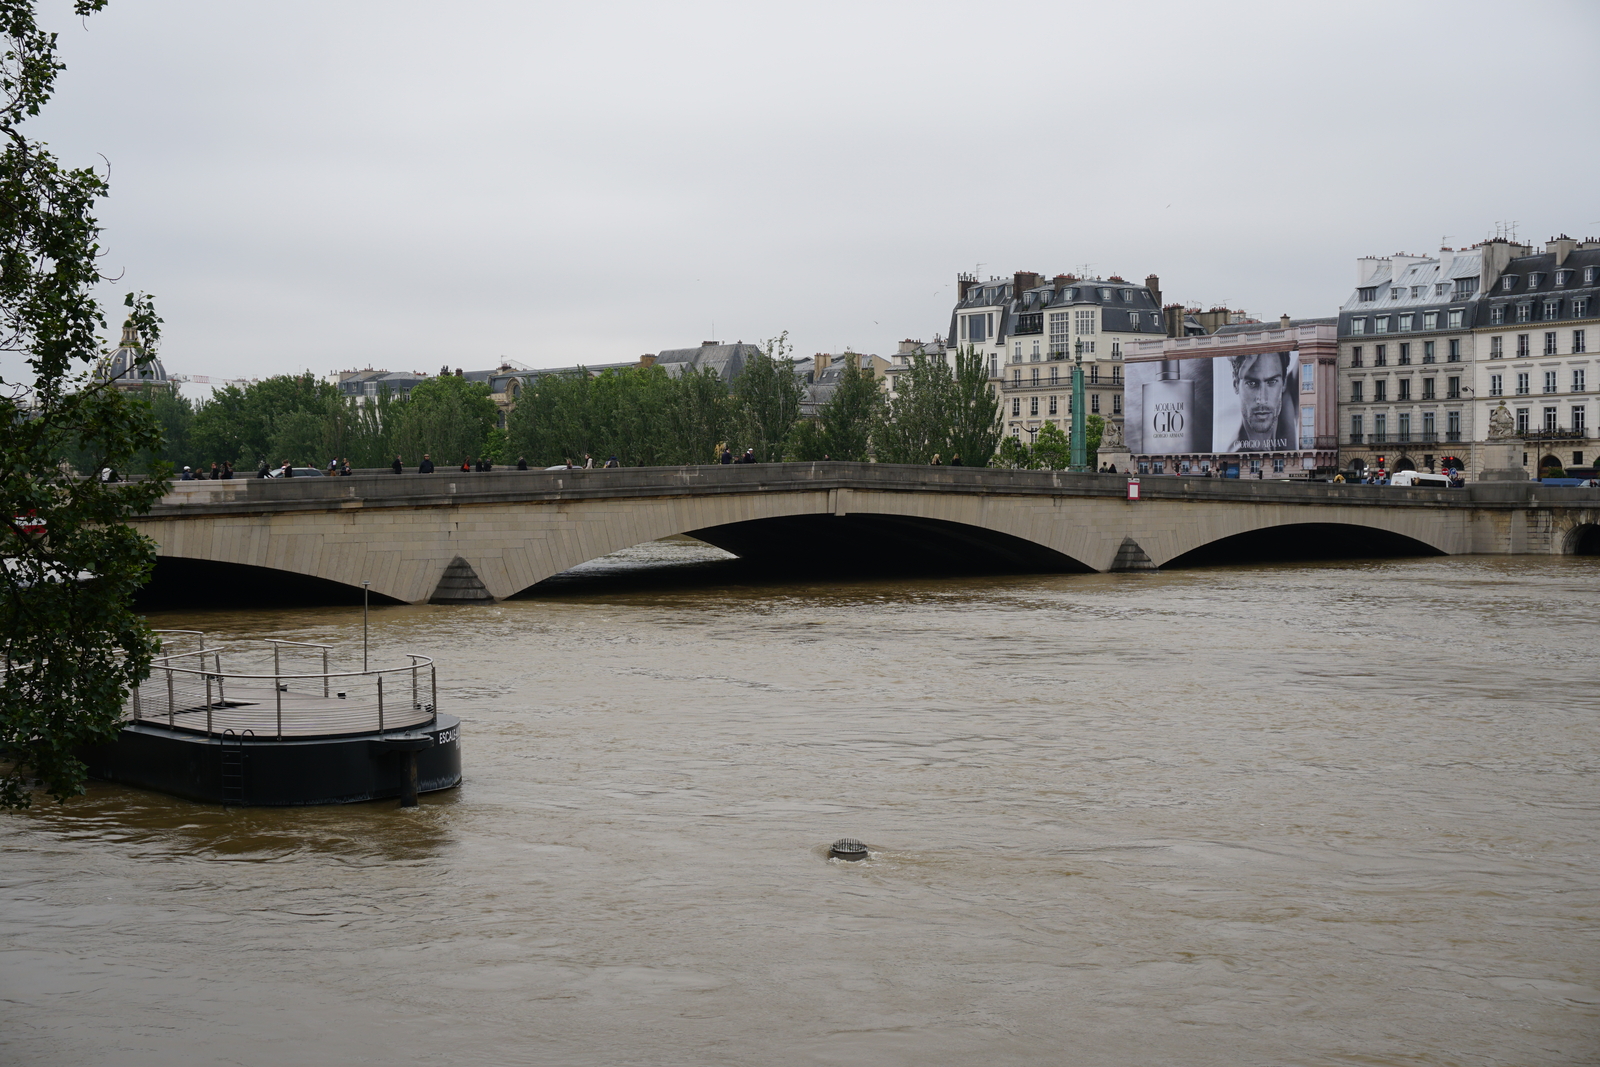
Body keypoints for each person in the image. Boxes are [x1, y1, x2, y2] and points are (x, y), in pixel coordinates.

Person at [1223, 351, 1296, 452]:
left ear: (1284, 382)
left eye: (1272, 382)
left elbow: (1313, 354)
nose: (1261, 400)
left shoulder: (1287, 401)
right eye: (1252, 383)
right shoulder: (1237, 454)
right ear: (1236, 385)